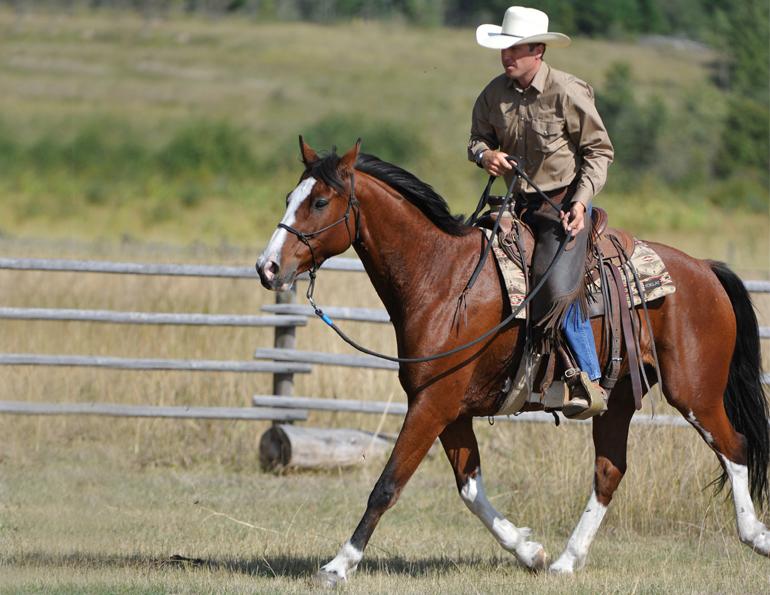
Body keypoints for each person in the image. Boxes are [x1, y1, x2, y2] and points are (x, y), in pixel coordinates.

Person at [467, 6, 614, 417]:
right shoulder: (492, 94)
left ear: (538, 51)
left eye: (515, 49)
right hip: (512, 205)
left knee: (554, 289)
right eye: (504, 49)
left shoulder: (568, 92)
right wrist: (485, 156)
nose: (507, 56)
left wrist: (581, 202)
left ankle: (589, 380)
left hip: (561, 207)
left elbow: (599, 151)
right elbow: (476, 139)